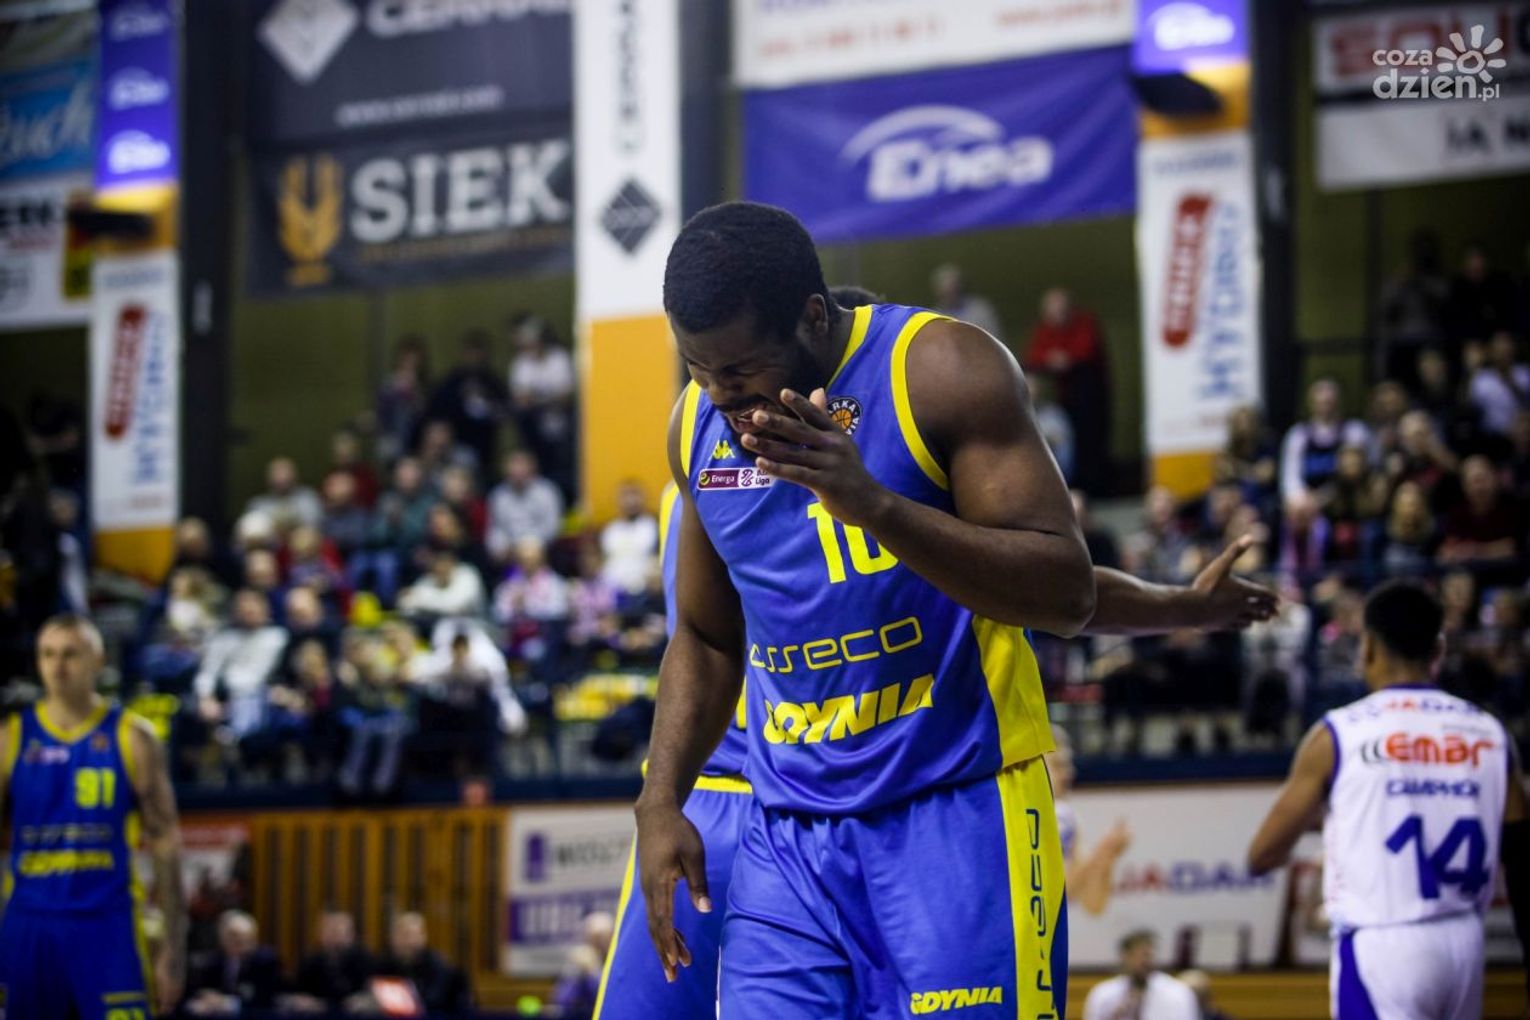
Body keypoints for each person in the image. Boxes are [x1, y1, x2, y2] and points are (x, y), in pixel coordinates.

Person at [627, 203, 1275, 1018]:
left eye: (742, 370)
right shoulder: (696, 427)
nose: (724, 396)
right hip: (788, 831)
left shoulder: (944, 371)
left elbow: (1063, 589)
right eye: (700, 369)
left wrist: (874, 506)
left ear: (814, 319)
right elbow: (707, 637)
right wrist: (660, 800)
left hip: (956, 806)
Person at [1247, 581, 1529, 1020]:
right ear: (1438, 650)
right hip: (1465, 941)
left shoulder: (1340, 733)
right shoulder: (1489, 732)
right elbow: (1521, 855)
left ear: (1368, 648)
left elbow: (1262, 854)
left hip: (1381, 942)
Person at [0, 615, 187, 1018]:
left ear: (97, 662)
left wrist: (174, 945)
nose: (57, 667)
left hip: (107, 922)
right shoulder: (10, 737)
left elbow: (166, 841)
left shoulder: (133, 736)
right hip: (28, 922)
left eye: (70, 654)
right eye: (47, 654)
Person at [1024, 286, 1111, 492]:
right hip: (1062, 400)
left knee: (1090, 445)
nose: (1056, 318)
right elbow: (1033, 356)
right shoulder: (1044, 329)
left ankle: (1092, 490)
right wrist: (1052, 359)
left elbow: (1086, 351)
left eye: (1060, 311)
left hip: (1089, 399)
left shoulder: (1085, 323)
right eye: (1051, 313)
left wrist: (1066, 358)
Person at [508, 313, 577, 500]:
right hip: (536, 428)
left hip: (563, 424)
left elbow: (567, 397)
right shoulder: (521, 363)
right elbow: (520, 399)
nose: (530, 346)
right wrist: (547, 399)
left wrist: (537, 398)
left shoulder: (559, 358)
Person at [1280, 379, 1372, 506]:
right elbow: (1290, 478)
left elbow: (1365, 468)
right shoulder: (1298, 434)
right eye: (1321, 402)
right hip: (1308, 503)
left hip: (1348, 498)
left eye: (1330, 402)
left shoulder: (1355, 430)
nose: (1326, 406)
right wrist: (1303, 499)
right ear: (1311, 403)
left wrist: (1327, 496)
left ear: (1339, 402)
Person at [1081, 931, 1199, 1020]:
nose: (1144, 961)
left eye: (1147, 955)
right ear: (1124, 957)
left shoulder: (1177, 993)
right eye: (1136, 955)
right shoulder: (1103, 994)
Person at [184, 909, 283, 1015]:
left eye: (245, 936)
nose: (239, 940)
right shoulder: (214, 961)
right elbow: (199, 991)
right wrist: (203, 999)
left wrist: (226, 1003)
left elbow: (266, 1000)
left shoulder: (265, 961)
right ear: (222, 936)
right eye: (232, 935)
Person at [375, 911, 472, 1015]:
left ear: (423, 937)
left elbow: (434, 1000)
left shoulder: (439, 967)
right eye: (402, 935)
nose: (408, 941)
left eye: (412, 935)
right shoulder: (383, 965)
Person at [288, 909, 375, 1014]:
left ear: (352, 935)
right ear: (321, 934)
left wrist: (367, 1000)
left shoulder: (366, 961)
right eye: (332, 931)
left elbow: (377, 993)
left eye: (341, 932)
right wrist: (305, 1001)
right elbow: (296, 995)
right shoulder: (310, 962)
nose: (336, 937)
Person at [486, 449, 564, 564]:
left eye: (521, 465)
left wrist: (527, 546)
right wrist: (499, 547)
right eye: (513, 465)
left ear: (532, 467)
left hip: (540, 551)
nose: (517, 470)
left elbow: (551, 528)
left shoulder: (547, 492)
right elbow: (495, 529)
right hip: (508, 555)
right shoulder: (498, 495)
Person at [600, 480, 659, 597]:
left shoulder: (652, 526)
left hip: (646, 591)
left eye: (635, 494)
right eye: (626, 495)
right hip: (613, 592)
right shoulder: (610, 531)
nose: (631, 501)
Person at [1468, 329, 1530, 437]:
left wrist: (1508, 378)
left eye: (1506, 347)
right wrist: (1472, 369)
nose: (1503, 352)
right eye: (1499, 348)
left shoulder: (1524, 373)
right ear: (1491, 351)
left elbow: (1526, 402)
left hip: (1523, 435)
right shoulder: (1482, 378)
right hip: (1493, 437)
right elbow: (1469, 407)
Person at [246, 456, 323, 533]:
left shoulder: (308, 498)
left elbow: (315, 522)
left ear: (295, 475)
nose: (282, 478)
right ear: (268, 478)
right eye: (277, 473)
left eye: (285, 473)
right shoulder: (259, 504)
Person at [929, 262, 1002, 339]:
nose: (950, 292)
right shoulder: (934, 317)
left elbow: (995, 338)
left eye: (953, 286)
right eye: (945, 289)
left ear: (959, 286)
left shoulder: (981, 310)